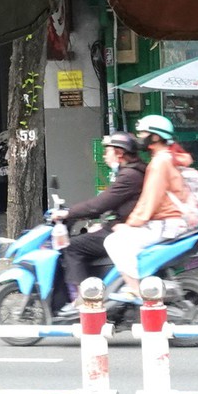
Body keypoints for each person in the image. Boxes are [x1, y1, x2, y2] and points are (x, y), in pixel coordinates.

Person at [55, 132, 145, 316]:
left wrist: (68, 212)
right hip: (121, 225)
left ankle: (85, 298)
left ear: (119, 153)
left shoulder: (129, 176)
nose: (104, 156)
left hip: (125, 229)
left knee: (73, 247)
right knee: (87, 237)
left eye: (108, 151)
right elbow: (113, 204)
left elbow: (100, 204)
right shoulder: (132, 172)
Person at [103, 115, 198, 285]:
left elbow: (150, 200)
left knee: (113, 242)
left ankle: (136, 290)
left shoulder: (159, 162)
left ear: (154, 136)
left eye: (142, 134)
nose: (139, 138)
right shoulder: (169, 157)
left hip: (165, 224)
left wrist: (130, 223)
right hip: (173, 222)